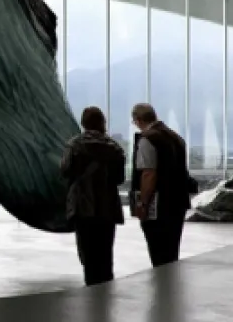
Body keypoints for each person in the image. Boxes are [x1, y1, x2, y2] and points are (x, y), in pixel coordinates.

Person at [61, 106, 126, 285]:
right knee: (105, 252)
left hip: (82, 205)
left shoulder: (74, 145)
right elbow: (119, 179)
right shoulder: (114, 147)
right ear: (102, 122)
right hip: (107, 206)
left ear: (83, 123)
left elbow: (65, 171)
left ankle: (91, 285)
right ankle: (105, 286)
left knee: (87, 253)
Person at [129, 103, 191, 267]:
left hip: (159, 206)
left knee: (158, 251)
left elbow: (148, 174)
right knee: (171, 252)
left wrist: (143, 203)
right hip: (178, 202)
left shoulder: (148, 139)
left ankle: (161, 281)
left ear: (139, 120)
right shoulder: (176, 138)